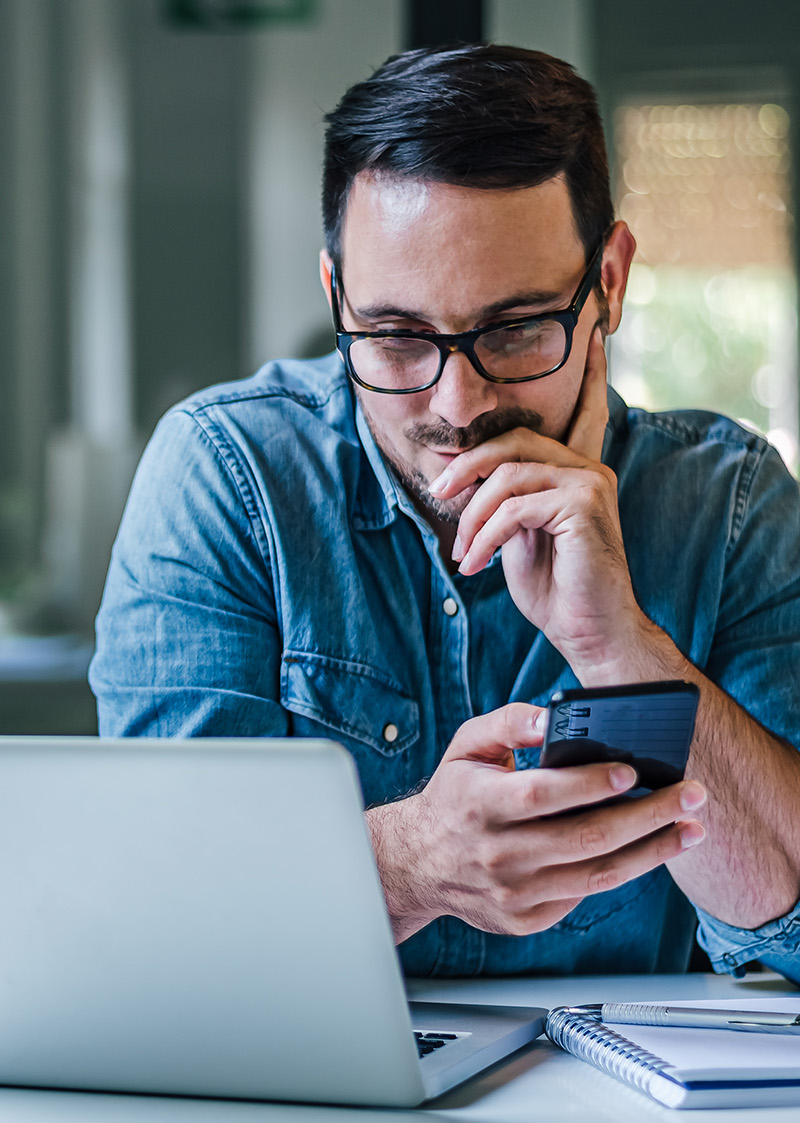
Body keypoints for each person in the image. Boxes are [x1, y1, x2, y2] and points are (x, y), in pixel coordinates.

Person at [90, 44, 800, 983]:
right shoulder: (227, 477)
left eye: (513, 330)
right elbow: (153, 926)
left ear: (612, 282)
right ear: (337, 295)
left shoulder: (729, 503)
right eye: (393, 338)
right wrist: (407, 865)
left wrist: (618, 647)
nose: (458, 406)